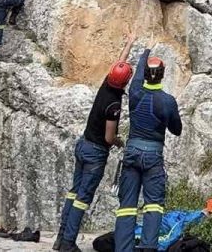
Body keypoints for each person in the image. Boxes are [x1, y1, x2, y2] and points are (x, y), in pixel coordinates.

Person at [53, 30, 138, 252]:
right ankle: (69, 244)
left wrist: (129, 42)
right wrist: (119, 142)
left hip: (83, 145)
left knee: (73, 192)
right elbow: (109, 137)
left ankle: (61, 238)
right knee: (82, 198)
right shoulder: (114, 105)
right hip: (95, 153)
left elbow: (118, 64)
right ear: (126, 82)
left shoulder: (106, 84)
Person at [114, 48, 183, 252]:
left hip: (132, 151)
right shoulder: (167, 101)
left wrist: (145, 52)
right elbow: (176, 130)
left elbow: (136, 75)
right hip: (153, 155)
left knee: (126, 205)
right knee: (154, 205)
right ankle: (148, 247)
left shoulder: (135, 92)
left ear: (144, 74)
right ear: (163, 74)